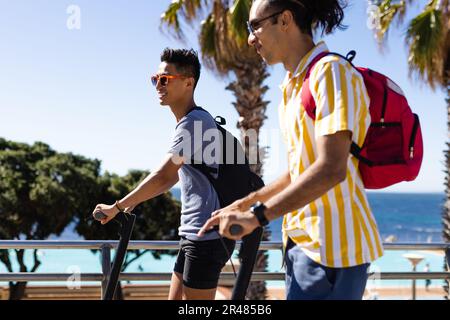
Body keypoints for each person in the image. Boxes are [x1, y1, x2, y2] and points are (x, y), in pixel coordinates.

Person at [199, 0, 384, 300]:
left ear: (284, 20)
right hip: (302, 244)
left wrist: (257, 217)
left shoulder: (331, 72)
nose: (250, 38)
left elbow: (331, 168)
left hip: (333, 250)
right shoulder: (293, 84)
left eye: (255, 25)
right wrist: (244, 204)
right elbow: (300, 171)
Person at [92, 48, 235, 300]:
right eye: (155, 79)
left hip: (206, 237)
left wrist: (117, 206)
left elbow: (163, 175)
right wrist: (132, 204)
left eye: (165, 79)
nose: (158, 85)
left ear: (189, 82)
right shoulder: (191, 121)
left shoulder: (195, 122)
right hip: (193, 234)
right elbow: (168, 180)